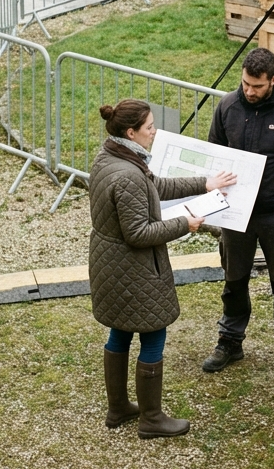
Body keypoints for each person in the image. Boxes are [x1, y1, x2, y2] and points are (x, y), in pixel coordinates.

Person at [88, 98, 236, 439]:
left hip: (110, 265)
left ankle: (118, 408)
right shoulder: (129, 174)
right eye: (150, 127)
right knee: (153, 334)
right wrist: (186, 224)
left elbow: (156, 187)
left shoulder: (111, 156)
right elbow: (139, 233)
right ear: (131, 132)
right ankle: (151, 419)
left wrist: (205, 183)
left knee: (120, 331)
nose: (155, 132)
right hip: (134, 269)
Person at [202, 47, 274, 383]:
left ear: (273, 81)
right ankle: (230, 340)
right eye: (245, 84)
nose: (249, 91)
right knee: (234, 280)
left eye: (257, 86)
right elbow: (214, 151)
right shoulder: (227, 106)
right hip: (236, 214)